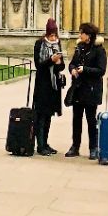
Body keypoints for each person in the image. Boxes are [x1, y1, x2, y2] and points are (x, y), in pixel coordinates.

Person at [64, 21, 107, 159]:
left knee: (91, 120)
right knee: (76, 119)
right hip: (78, 88)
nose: (79, 35)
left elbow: (101, 70)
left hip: (91, 89)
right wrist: (72, 70)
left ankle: (93, 148)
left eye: (81, 32)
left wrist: (85, 70)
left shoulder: (99, 50)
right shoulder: (79, 48)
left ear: (88, 35)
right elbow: (72, 63)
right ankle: (75, 146)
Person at [31, 18, 67, 156]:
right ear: (46, 34)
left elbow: (62, 66)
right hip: (42, 84)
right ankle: (40, 145)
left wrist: (58, 64)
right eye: (51, 35)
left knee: (49, 116)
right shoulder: (39, 44)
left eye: (55, 35)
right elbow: (38, 65)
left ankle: (45, 143)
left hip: (54, 85)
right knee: (40, 115)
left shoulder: (58, 44)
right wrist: (50, 61)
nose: (53, 38)